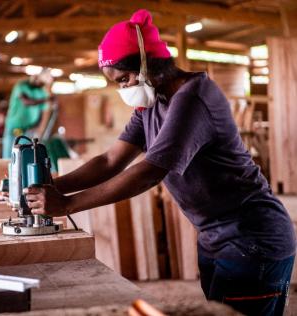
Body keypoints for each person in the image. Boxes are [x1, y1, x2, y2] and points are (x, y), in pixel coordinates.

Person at [23, 9, 296, 316]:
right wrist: (48, 187)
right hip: (214, 239)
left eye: (125, 78)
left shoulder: (194, 97)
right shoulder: (151, 105)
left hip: (252, 239)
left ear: (149, 63)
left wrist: (67, 205)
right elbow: (110, 160)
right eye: (118, 83)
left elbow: (148, 173)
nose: (124, 88)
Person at [2, 69, 54, 158]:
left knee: (25, 156)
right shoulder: (21, 86)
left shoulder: (41, 92)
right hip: (14, 127)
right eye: (40, 82)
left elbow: (45, 112)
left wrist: (40, 129)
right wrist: (46, 100)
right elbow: (26, 102)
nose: (40, 85)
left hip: (28, 129)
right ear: (35, 77)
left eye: (42, 84)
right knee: (9, 156)